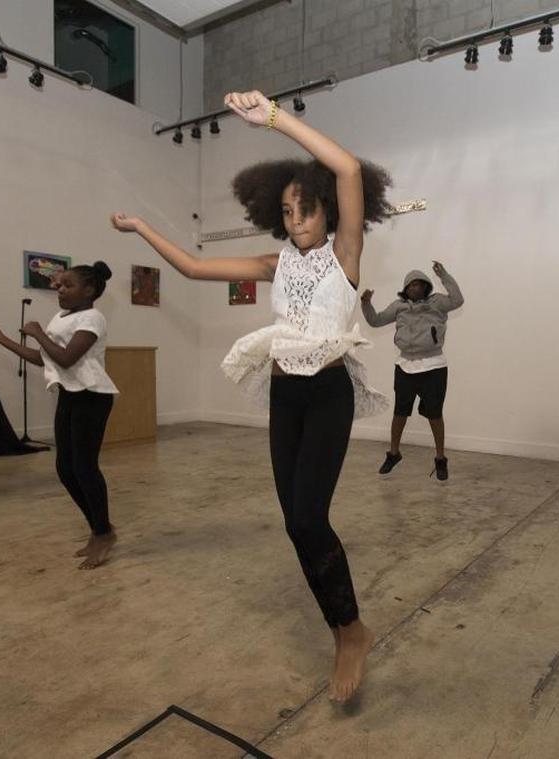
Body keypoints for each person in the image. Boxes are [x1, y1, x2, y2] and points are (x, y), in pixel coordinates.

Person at [111, 89, 393, 702]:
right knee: (295, 524)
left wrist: (273, 119)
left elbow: (346, 168)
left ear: (330, 215)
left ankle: (350, 632)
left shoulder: (344, 256)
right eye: (289, 213)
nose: (297, 223)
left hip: (327, 395)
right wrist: (139, 229)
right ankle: (345, 626)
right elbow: (189, 267)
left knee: (309, 516)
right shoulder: (275, 263)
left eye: (308, 211)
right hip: (285, 398)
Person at [0, 263, 119, 569]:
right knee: (65, 468)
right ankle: (100, 529)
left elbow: (67, 359)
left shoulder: (93, 317)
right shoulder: (60, 317)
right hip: (70, 395)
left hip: (92, 396)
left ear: (90, 290)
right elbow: (47, 360)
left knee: (84, 467)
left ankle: (102, 532)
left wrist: (38, 333)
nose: (60, 290)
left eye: (67, 286)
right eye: (59, 286)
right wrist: (3, 339)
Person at [360, 261, 464, 479]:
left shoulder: (437, 303)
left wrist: (444, 275)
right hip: (405, 366)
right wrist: (366, 303)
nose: (414, 288)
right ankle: (394, 453)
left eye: (419, 284)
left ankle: (440, 459)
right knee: (400, 413)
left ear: (426, 286)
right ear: (405, 288)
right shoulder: (399, 306)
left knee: (435, 414)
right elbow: (376, 320)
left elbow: (457, 299)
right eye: (411, 285)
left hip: (433, 366)